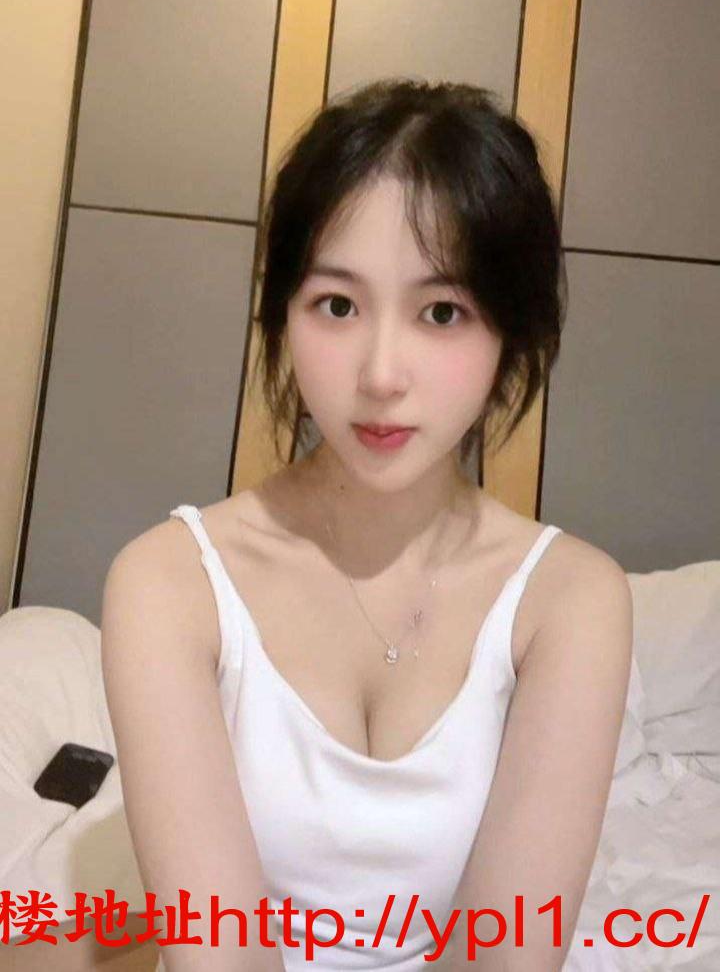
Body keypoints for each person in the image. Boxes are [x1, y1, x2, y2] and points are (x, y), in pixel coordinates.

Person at [102, 79, 633, 972]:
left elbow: (506, 957)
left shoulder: (571, 599)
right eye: (338, 305)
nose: (382, 374)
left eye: (442, 312)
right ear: (282, 315)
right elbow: (217, 958)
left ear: (511, 334)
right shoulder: (168, 582)